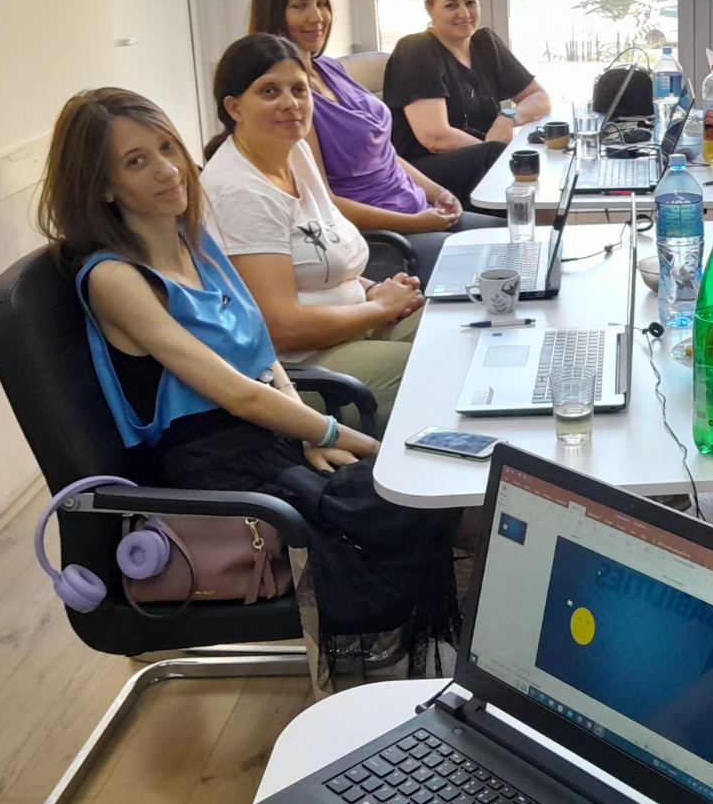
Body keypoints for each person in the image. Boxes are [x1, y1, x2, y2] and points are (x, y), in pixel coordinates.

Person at [37, 87, 461, 674]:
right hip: (217, 472)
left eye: (168, 148)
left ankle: (456, 657)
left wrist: (310, 433)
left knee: (430, 488)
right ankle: (448, 666)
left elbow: (261, 356)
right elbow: (234, 392)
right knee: (413, 493)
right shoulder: (115, 280)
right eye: (137, 162)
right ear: (103, 187)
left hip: (268, 440)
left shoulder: (194, 240)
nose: (167, 170)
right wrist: (342, 433)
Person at [200, 33, 424, 426]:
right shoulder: (238, 191)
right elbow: (282, 329)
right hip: (301, 369)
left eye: (299, 89)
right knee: (443, 367)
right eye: (269, 91)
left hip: (353, 326)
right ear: (234, 107)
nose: (290, 103)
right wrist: (378, 309)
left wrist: (376, 289)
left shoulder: (295, 152)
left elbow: (324, 254)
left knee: (465, 328)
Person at [246, 0, 503, 273]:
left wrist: (437, 192)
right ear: (274, 13)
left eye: (322, 3)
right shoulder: (291, 103)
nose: (317, 16)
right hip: (384, 238)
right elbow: (325, 202)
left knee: (519, 241)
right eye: (299, 6)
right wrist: (416, 223)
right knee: (490, 262)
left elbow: (385, 154)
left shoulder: (331, 69)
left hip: (418, 210)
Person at [384, 0, 551, 206]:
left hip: (483, 160)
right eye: (451, 5)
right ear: (430, 9)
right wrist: (496, 151)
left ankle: (547, 227)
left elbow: (540, 98)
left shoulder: (485, 44)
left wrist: (508, 117)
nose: (464, 13)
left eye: (470, 2)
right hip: (422, 174)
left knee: (535, 157)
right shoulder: (416, 49)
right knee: (514, 164)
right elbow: (435, 138)